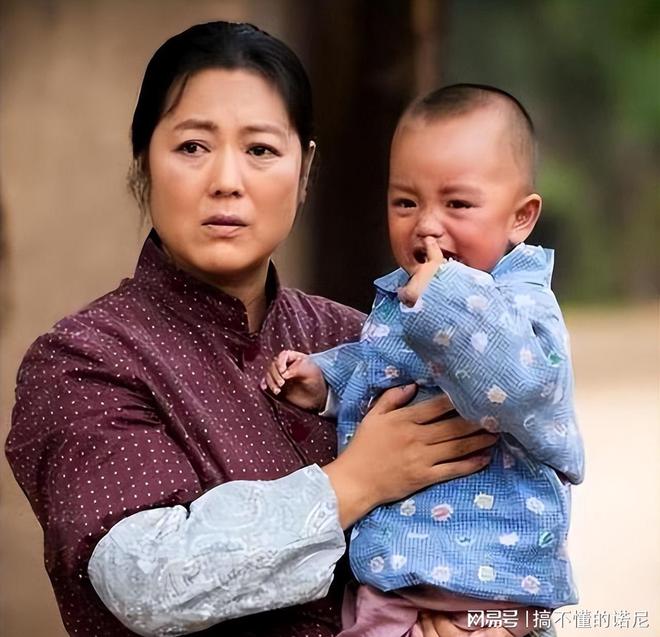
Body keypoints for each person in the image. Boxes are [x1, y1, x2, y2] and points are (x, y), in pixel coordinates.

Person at [4, 23, 503, 637]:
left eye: (261, 150)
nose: (227, 181)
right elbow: (145, 583)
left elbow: (510, 527)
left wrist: (490, 623)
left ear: (305, 169)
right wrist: (356, 481)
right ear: (143, 161)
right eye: (192, 147)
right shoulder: (85, 359)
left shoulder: (362, 337)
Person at [264, 85, 584, 636]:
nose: (427, 225)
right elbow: (381, 365)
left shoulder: (522, 300)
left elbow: (528, 383)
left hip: (497, 588)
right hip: (394, 580)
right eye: (405, 203)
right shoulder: (401, 296)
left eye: (457, 204)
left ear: (521, 218)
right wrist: (325, 380)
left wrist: (446, 296)